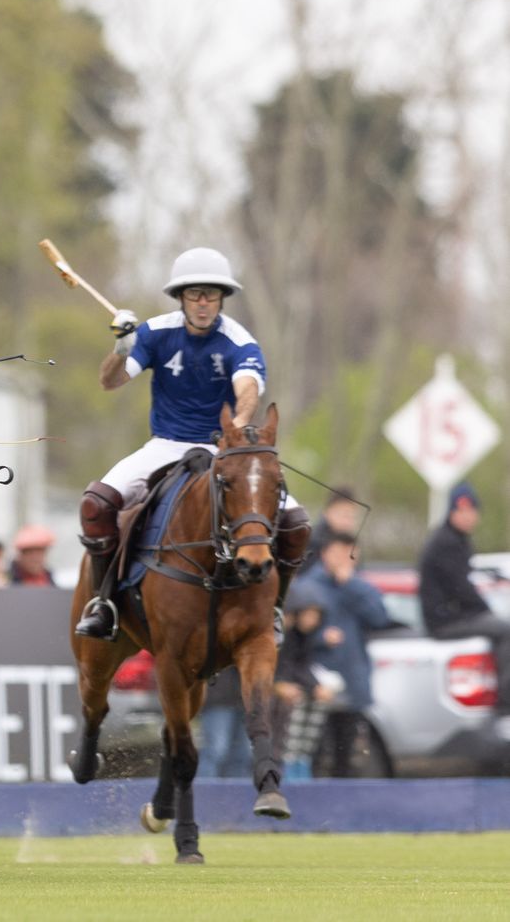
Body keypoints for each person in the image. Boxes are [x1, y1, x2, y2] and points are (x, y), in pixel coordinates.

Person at [73, 247, 309, 642]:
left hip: (222, 449)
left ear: (222, 298)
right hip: (164, 445)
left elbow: (248, 388)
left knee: (297, 524)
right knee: (96, 503)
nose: (203, 303)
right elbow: (109, 382)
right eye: (195, 294)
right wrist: (121, 347)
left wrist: (236, 425)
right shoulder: (154, 332)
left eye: (211, 295)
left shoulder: (238, 340)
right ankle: (104, 603)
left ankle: (274, 609)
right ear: (181, 297)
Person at [418, 482, 510, 730]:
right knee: (505, 630)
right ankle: (505, 706)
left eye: (471, 512)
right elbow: (461, 589)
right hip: (445, 620)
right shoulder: (447, 542)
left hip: (452, 615)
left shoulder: (456, 540)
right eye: (462, 512)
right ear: (451, 513)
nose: (468, 517)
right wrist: (485, 611)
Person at [304, 532, 391, 777]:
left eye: (349, 552)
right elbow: (296, 634)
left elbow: (379, 618)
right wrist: (322, 637)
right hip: (318, 683)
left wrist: (350, 585)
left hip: (352, 680)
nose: (343, 559)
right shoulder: (309, 587)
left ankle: (343, 807)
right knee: (316, 751)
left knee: (349, 752)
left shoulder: (361, 586)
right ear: (324, 554)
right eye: (338, 553)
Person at [271, 579, 338, 781]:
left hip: (295, 688)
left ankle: (301, 767)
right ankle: (287, 770)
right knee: (286, 734)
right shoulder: (285, 634)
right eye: (309, 614)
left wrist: (316, 687)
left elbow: (302, 665)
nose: (312, 620)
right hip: (275, 693)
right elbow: (285, 665)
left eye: (316, 615)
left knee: (309, 725)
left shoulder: (305, 636)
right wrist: (281, 685)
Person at [196, 667, 251, 779]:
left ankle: (236, 793)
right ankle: (203, 791)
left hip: (247, 700)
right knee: (216, 750)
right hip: (218, 698)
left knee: (244, 754)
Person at [299, 488, 363, 575]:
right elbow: (301, 577)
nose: (348, 521)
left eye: (352, 516)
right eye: (344, 514)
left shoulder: (350, 542)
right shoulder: (311, 540)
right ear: (328, 512)